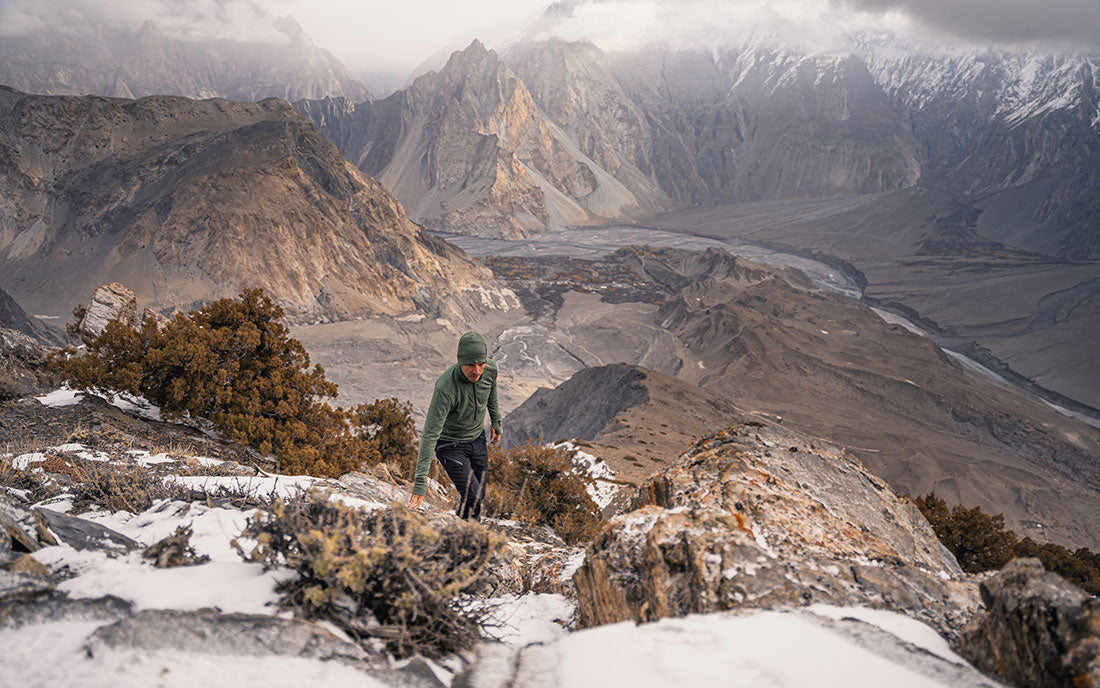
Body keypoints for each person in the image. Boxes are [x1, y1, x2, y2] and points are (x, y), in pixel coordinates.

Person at [407, 331, 502, 519]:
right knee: (473, 496)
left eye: (481, 364)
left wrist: (496, 420)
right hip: (450, 445)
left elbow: (491, 391)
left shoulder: (490, 369)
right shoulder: (446, 388)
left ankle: (459, 525)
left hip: (477, 439)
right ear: (460, 362)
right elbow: (430, 434)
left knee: (478, 494)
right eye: (470, 365)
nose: (477, 371)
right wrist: (420, 480)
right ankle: (470, 534)